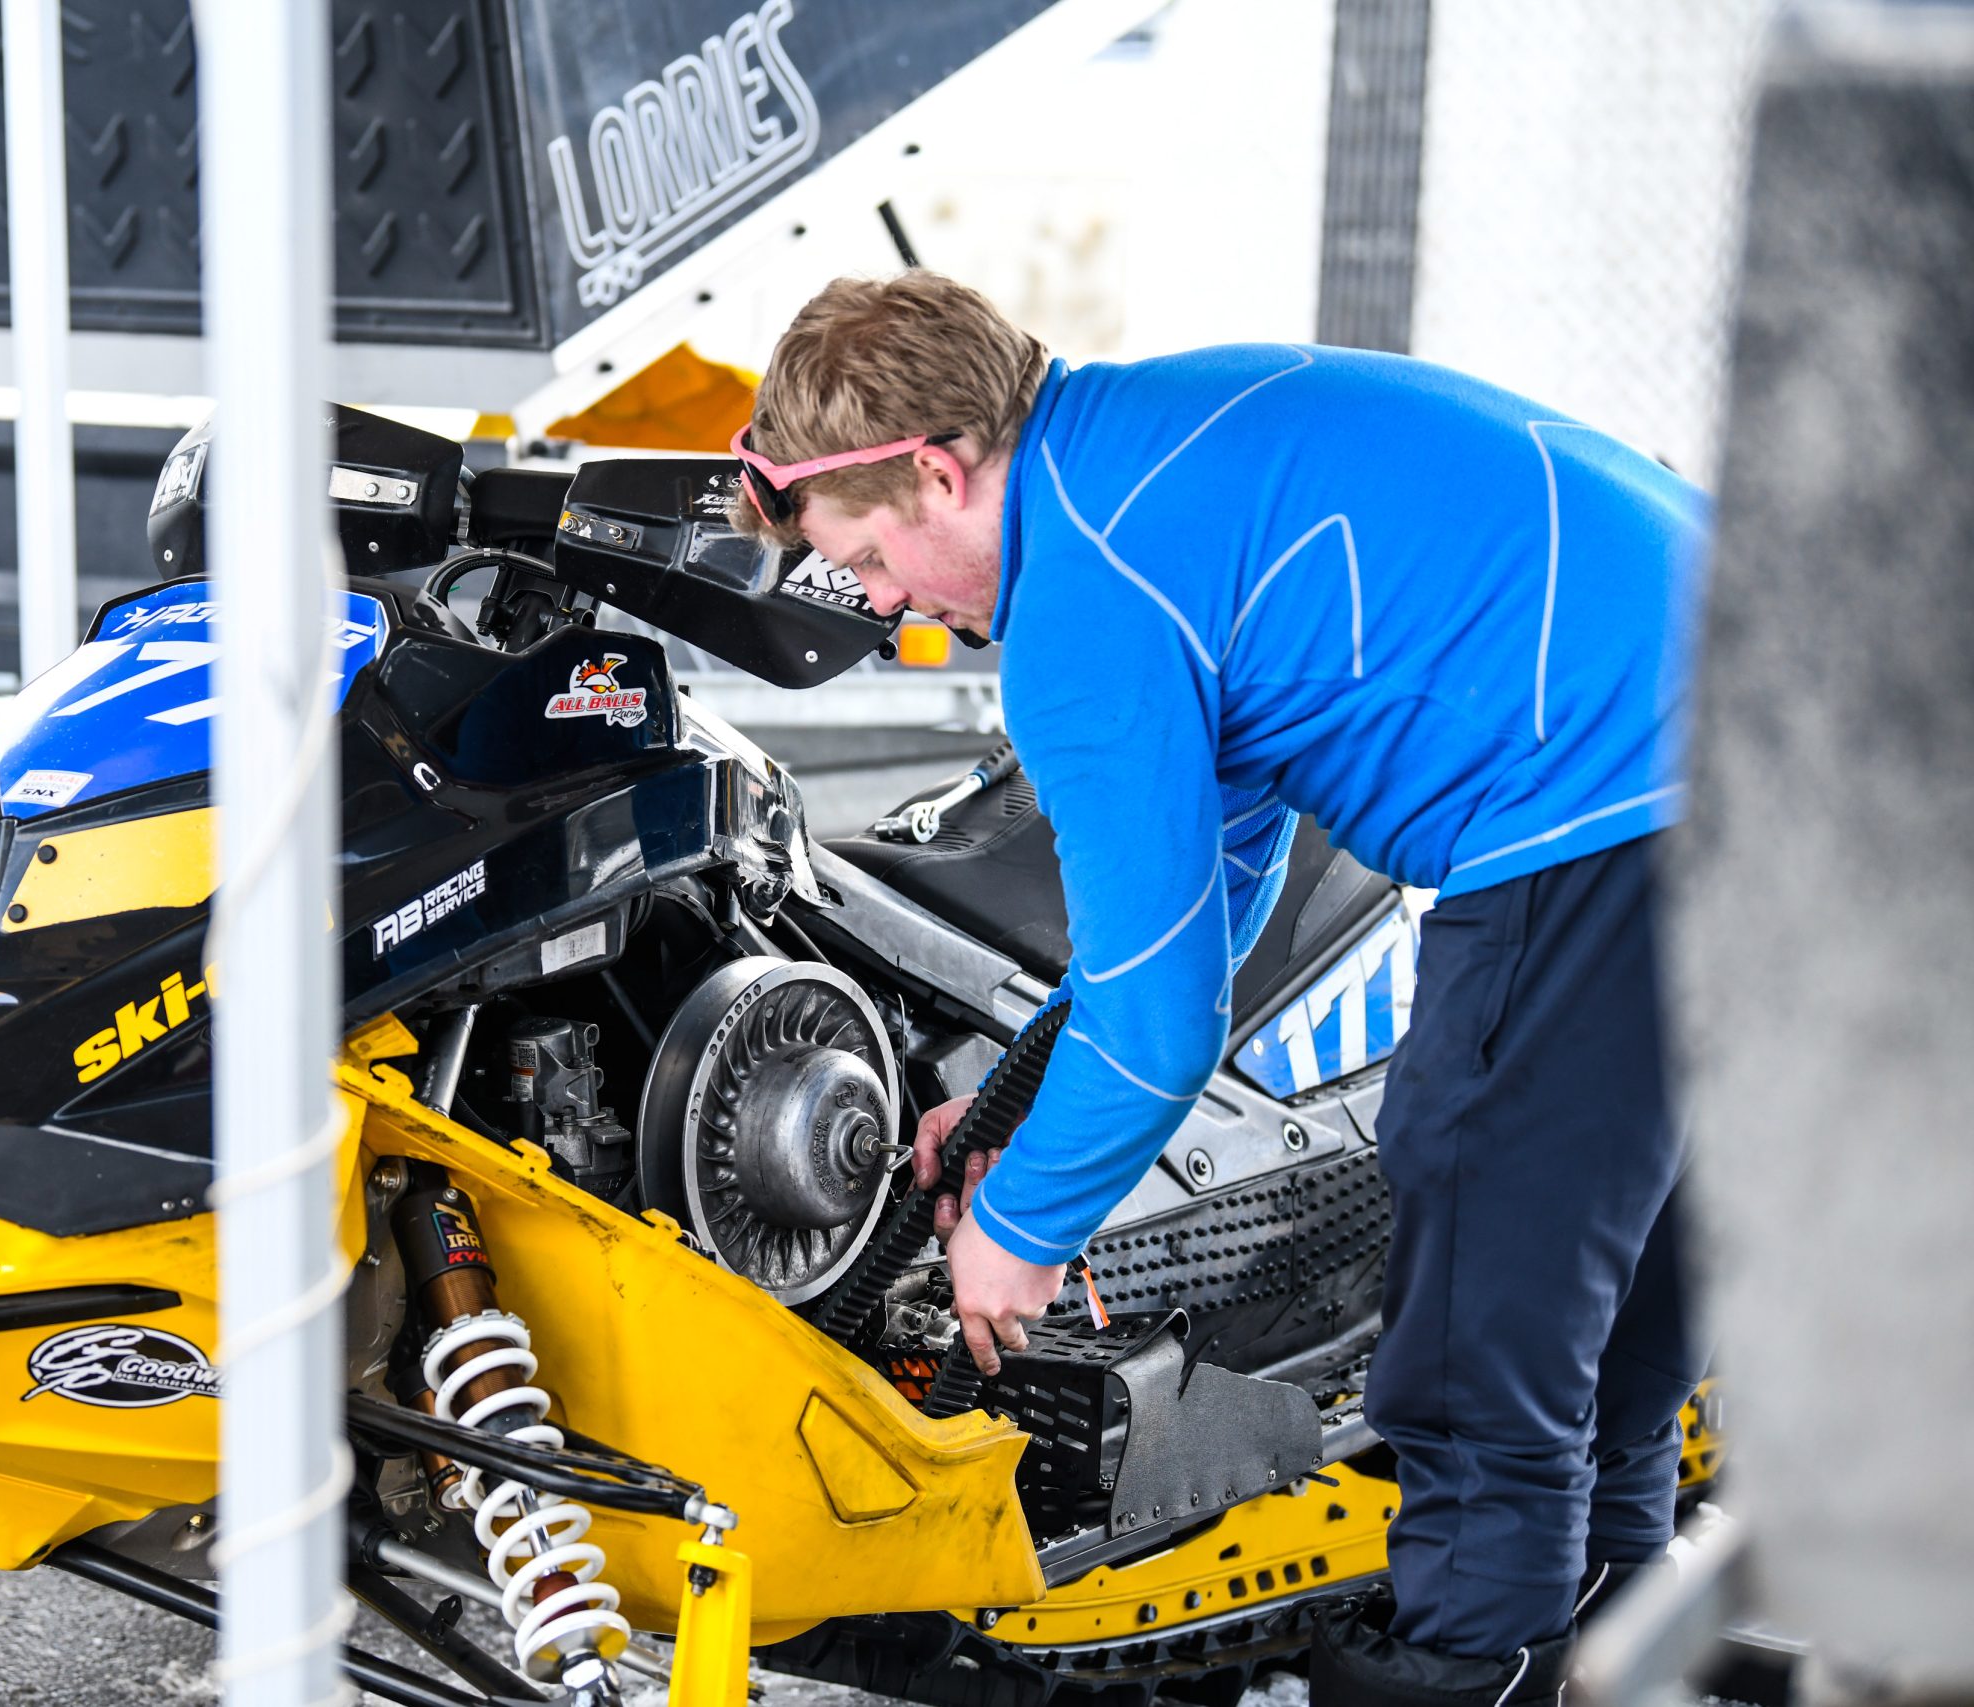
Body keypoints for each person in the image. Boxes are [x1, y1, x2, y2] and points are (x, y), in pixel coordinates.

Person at [728, 271, 1709, 1707]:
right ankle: (1617, 1623)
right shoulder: (1151, 445)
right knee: (1607, 1276)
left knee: (1474, 1308)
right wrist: (1015, 1106)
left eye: (871, 558)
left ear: (938, 472)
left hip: (1614, 803)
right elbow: (1202, 914)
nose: (881, 604)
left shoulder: (1081, 604)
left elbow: (1161, 1026)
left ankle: (1468, 1675)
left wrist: (1016, 1233)